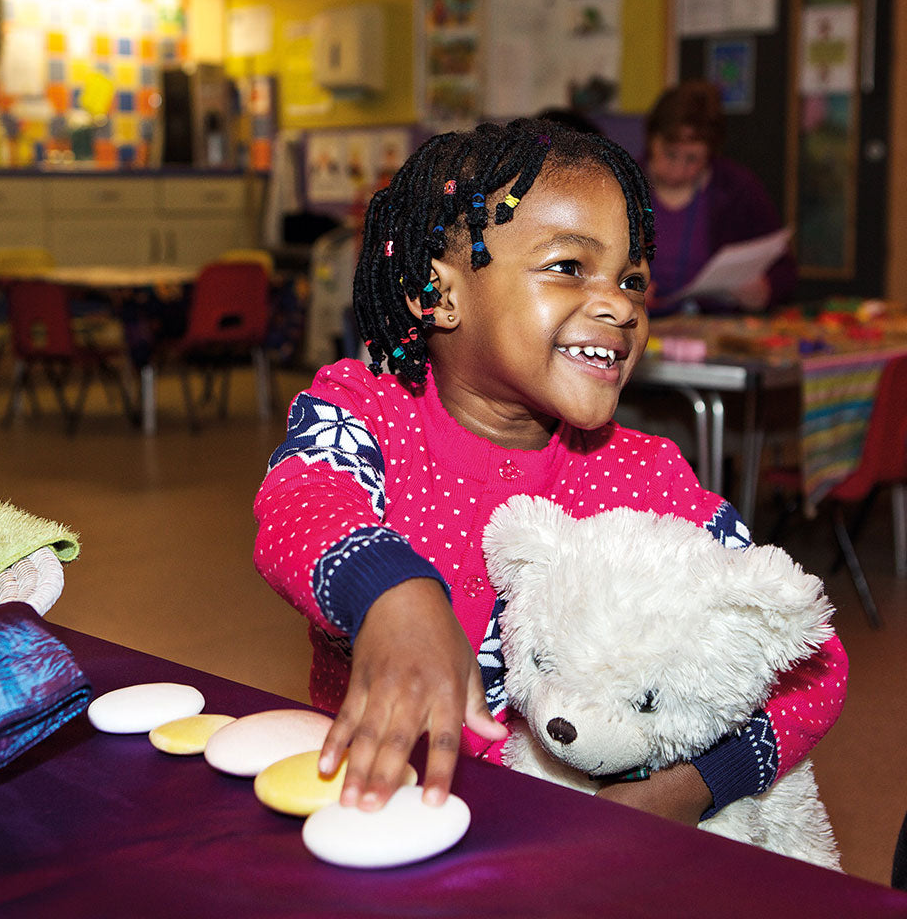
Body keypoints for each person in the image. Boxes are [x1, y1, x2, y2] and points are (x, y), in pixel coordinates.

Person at [253, 119, 846, 824]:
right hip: (378, 811)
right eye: (569, 267)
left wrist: (691, 787)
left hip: (560, 837)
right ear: (437, 295)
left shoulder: (646, 481)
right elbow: (299, 507)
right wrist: (393, 593)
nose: (621, 304)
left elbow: (813, 663)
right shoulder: (363, 413)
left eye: (632, 279)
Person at [643, 80, 795, 312]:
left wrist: (766, 289)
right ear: (652, 139)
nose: (679, 168)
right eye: (670, 154)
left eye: (692, 159)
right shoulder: (619, 184)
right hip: (637, 329)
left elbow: (784, 268)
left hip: (714, 329)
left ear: (711, 155)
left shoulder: (737, 188)